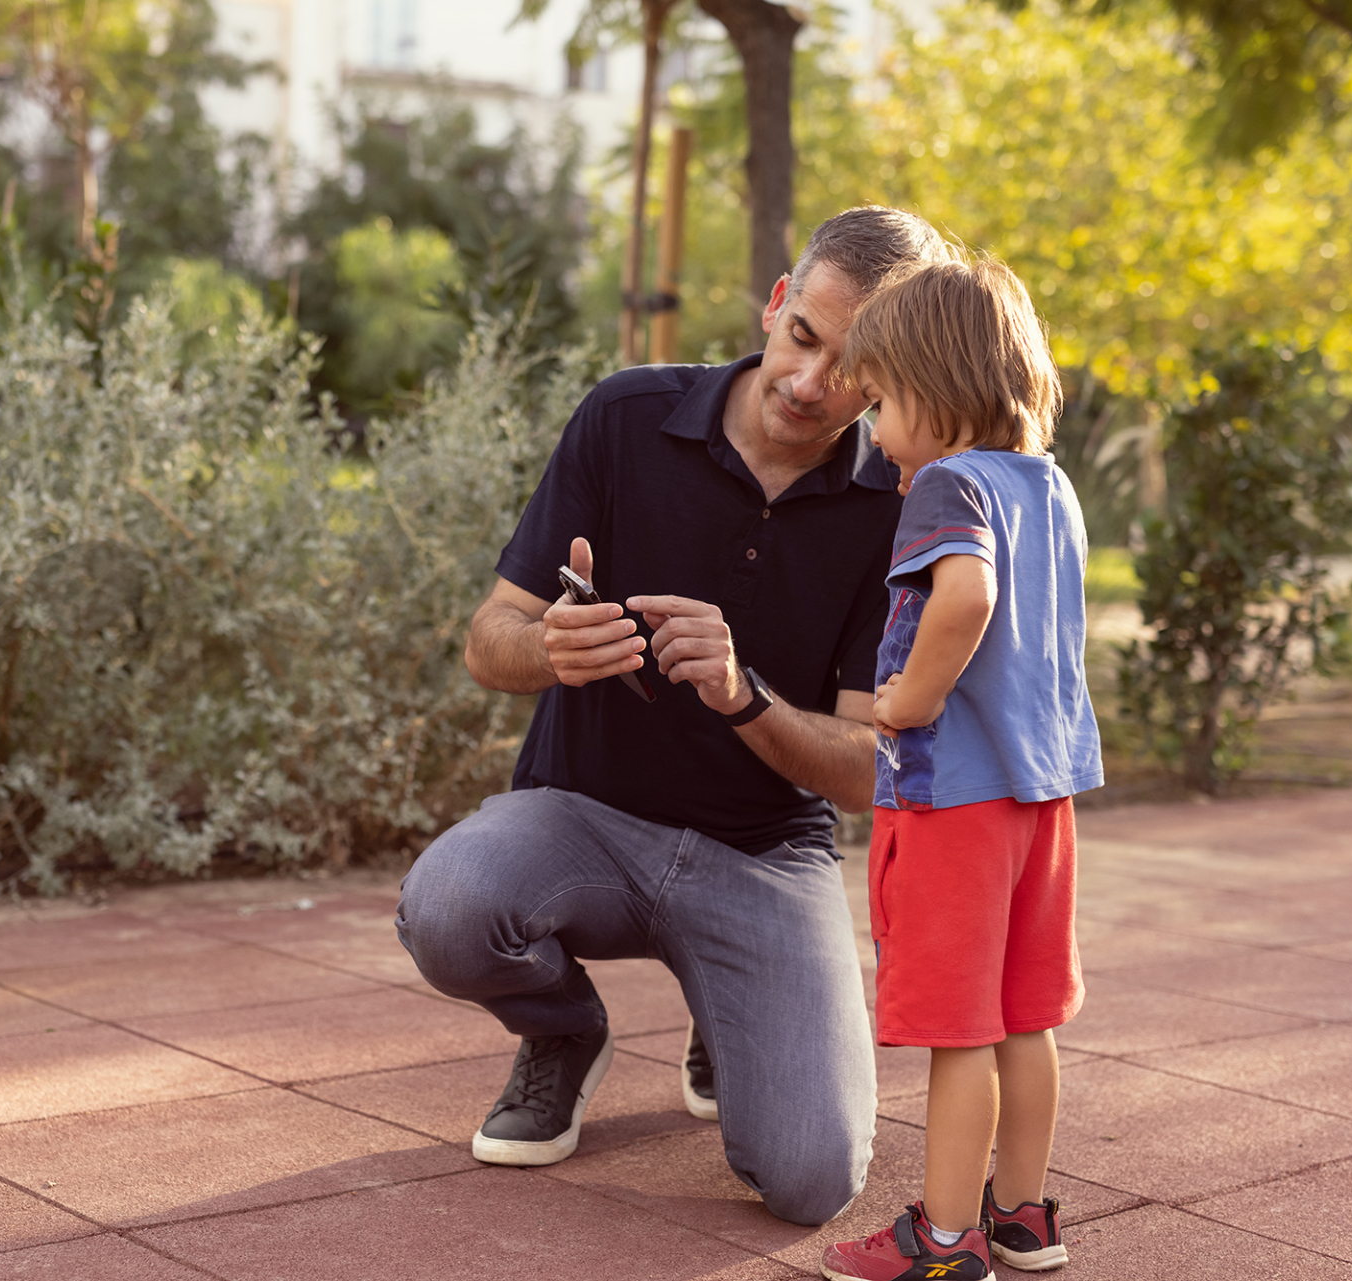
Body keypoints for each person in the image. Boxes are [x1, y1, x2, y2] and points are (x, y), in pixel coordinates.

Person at [394, 206, 949, 1227]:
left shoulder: (901, 505)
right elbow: (488, 638)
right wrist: (549, 649)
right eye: (803, 337)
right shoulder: (624, 417)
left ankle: (724, 1010)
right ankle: (564, 1030)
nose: (809, 383)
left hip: (764, 853)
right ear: (776, 304)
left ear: (895, 376)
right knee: (449, 907)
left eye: (853, 370)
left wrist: (746, 696)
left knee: (812, 1181)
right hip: (582, 816)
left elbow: (869, 770)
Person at [816, 254, 1103, 1281]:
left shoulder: (948, 483)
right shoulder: (1050, 486)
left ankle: (943, 1242)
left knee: (960, 1029)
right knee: (1026, 1017)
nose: (875, 431)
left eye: (883, 403)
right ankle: (1023, 1217)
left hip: (957, 804)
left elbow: (968, 598)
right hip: (1042, 799)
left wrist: (909, 700)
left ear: (935, 391)